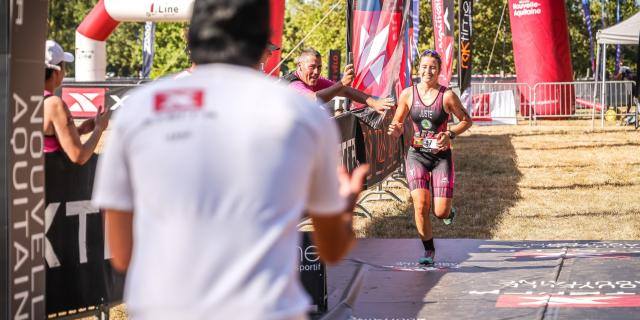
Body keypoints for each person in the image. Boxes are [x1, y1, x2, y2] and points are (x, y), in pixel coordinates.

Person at [92, 0, 368, 319]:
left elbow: (121, 255)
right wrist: (345, 208)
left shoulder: (138, 111)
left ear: (191, 35)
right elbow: (332, 250)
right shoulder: (302, 113)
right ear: (262, 40)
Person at [388, 50, 472, 265]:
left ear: (439, 70)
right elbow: (398, 121)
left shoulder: (447, 95)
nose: (428, 71)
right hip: (416, 155)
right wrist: (395, 130)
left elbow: (466, 120)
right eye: (424, 66)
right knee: (420, 205)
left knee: (441, 212)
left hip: (441, 158)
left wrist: (450, 133)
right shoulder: (408, 94)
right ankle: (428, 251)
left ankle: (447, 212)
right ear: (419, 68)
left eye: (432, 67)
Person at [43, 40, 110, 164]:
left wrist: (79, 131)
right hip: (52, 179)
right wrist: (99, 128)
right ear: (57, 71)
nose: (66, 72)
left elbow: (47, 140)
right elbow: (79, 156)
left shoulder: (26, 97)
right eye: (65, 67)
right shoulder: (54, 104)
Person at [287, 48, 394, 114]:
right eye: (312, 67)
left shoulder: (314, 80)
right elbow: (314, 99)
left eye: (319, 67)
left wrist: (374, 103)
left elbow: (344, 90)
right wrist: (341, 83)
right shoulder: (294, 85)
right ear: (300, 66)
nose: (316, 72)